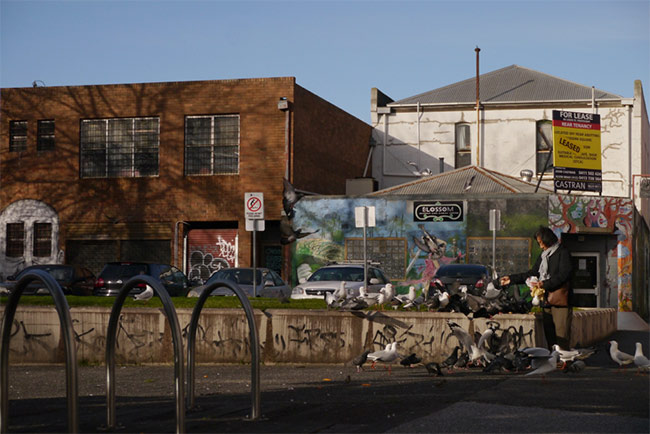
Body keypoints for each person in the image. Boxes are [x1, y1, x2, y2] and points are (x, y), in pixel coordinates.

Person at [500, 226, 573, 350]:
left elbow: (564, 275)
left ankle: (564, 363)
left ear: (548, 240)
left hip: (560, 301)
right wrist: (511, 279)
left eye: (541, 243)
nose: (540, 246)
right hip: (545, 300)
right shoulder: (543, 255)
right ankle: (553, 361)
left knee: (562, 335)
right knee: (549, 334)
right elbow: (532, 273)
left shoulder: (563, 252)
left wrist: (545, 284)